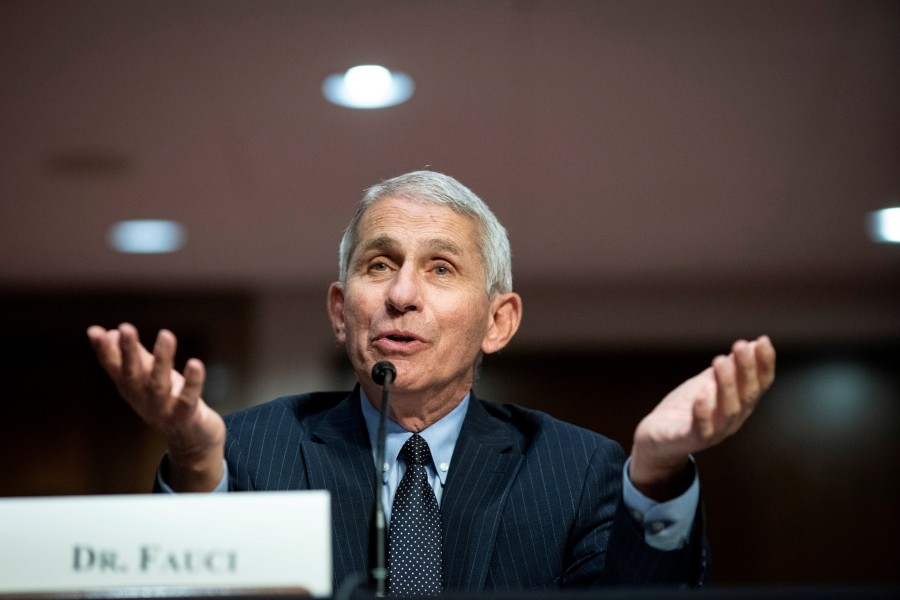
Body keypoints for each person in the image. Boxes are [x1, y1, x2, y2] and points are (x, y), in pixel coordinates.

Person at [87, 170, 776, 593]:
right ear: (339, 308)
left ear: (498, 322)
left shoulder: (582, 471)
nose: (402, 294)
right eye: (380, 264)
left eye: (441, 269)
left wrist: (654, 473)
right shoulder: (248, 451)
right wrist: (197, 462)